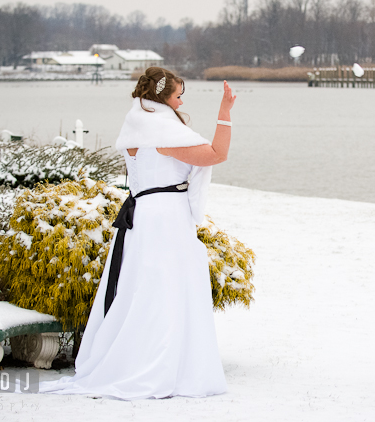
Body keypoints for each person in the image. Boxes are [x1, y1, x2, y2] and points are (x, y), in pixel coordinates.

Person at [39, 67, 236, 399]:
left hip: (143, 216)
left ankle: (142, 359)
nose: (180, 100)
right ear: (162, 98)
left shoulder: (136, 125)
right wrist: (225, 113)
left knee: (144, 290)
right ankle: (159, 365)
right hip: (165, 219)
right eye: (176, 95)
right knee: (165, 291)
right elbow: (217, 154)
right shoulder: (161, 132)